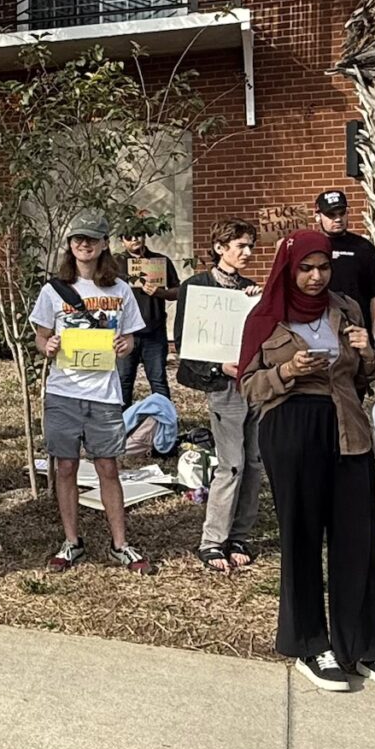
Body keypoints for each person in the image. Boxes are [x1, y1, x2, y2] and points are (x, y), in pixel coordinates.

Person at [239, 230, 375, 694]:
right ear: (289, 268)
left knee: (359, 537)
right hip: (291, 430)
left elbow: (364, 376)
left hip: (347, 429)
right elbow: (248, 388)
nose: (315, 277)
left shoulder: (347, 308)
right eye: (306, 268)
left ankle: (366, 646)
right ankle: (309, 644)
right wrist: (286, 372)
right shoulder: (265, 317)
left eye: (323, 267)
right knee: (301, 535)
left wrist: (364, 352)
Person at [32, 211, 154, 575]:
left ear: (104, 244)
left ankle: (120, 544)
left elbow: (131, 338)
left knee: (107, 466)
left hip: (104, 393)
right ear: (70, 246)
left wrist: (124, 345)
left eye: (90, 239)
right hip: (63, 391)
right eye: (76, 240)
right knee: (66, 466)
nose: (82, 245)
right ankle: (72, 541)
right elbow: (40, 336)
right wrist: (48, 344)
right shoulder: (53, 290)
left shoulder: (120, 291)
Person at [172, 219, 264, 573]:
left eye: (250, 246)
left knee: (254, 462)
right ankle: (213, 540)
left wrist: (260, 303)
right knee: (232, 463)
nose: (247, 252)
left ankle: (240, 534)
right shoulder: (197, 286)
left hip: (253, 383)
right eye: (240, 245)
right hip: (224, 385)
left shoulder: (251, 290)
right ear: (220, 248)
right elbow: (187, 343)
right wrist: (217, 369)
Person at [117, 228, 179, 402]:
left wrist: (160, 293)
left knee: (158, 381)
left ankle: (165, 423)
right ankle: (123, 425)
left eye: (139, 234)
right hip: (125, 333)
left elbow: (178, 291)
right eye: (129, 235)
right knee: (123, 381)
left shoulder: (160, 261)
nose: (135, 238)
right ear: (122, 240)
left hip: (154, 331)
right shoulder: (114, 263)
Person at [314, 190, 375, 333]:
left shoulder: (364, 248)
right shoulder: (310, 247)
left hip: (357, 330)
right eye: (331, 215)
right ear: (318, 216)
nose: (337, 219)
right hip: (320, 329)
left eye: (342, 213)